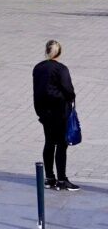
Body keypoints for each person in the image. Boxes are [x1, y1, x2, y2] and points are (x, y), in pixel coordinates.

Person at [33, 40, 79, 190]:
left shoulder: (38, 68)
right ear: (59, 52)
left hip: (44, 112)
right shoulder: (61, 69)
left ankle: (49, 177)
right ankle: (61, 179)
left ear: (46, 51)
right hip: (60, 111)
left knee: (49, 142)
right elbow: (68, 90)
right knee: (61, 144)